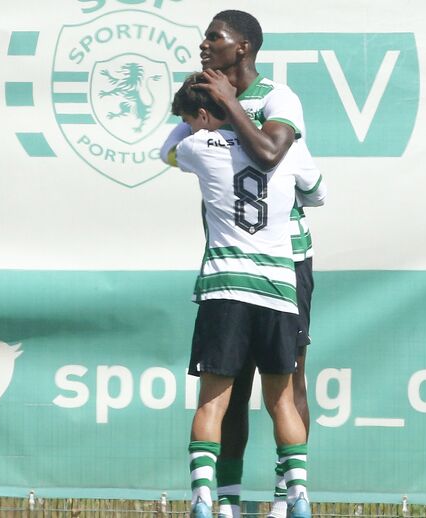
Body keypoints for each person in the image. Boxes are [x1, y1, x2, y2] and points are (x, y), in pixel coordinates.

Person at [160, 10, 320, 517]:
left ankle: (283, 499)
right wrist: (201, 105)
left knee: (288, 382)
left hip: (285, 258)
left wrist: (227, 107)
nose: (204, 44)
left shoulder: (278, 98)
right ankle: (228, 499)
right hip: (245, 263)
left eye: (215, 37)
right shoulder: (208, 107)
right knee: (234, 386)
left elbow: (273, 153)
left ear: (243, 47)